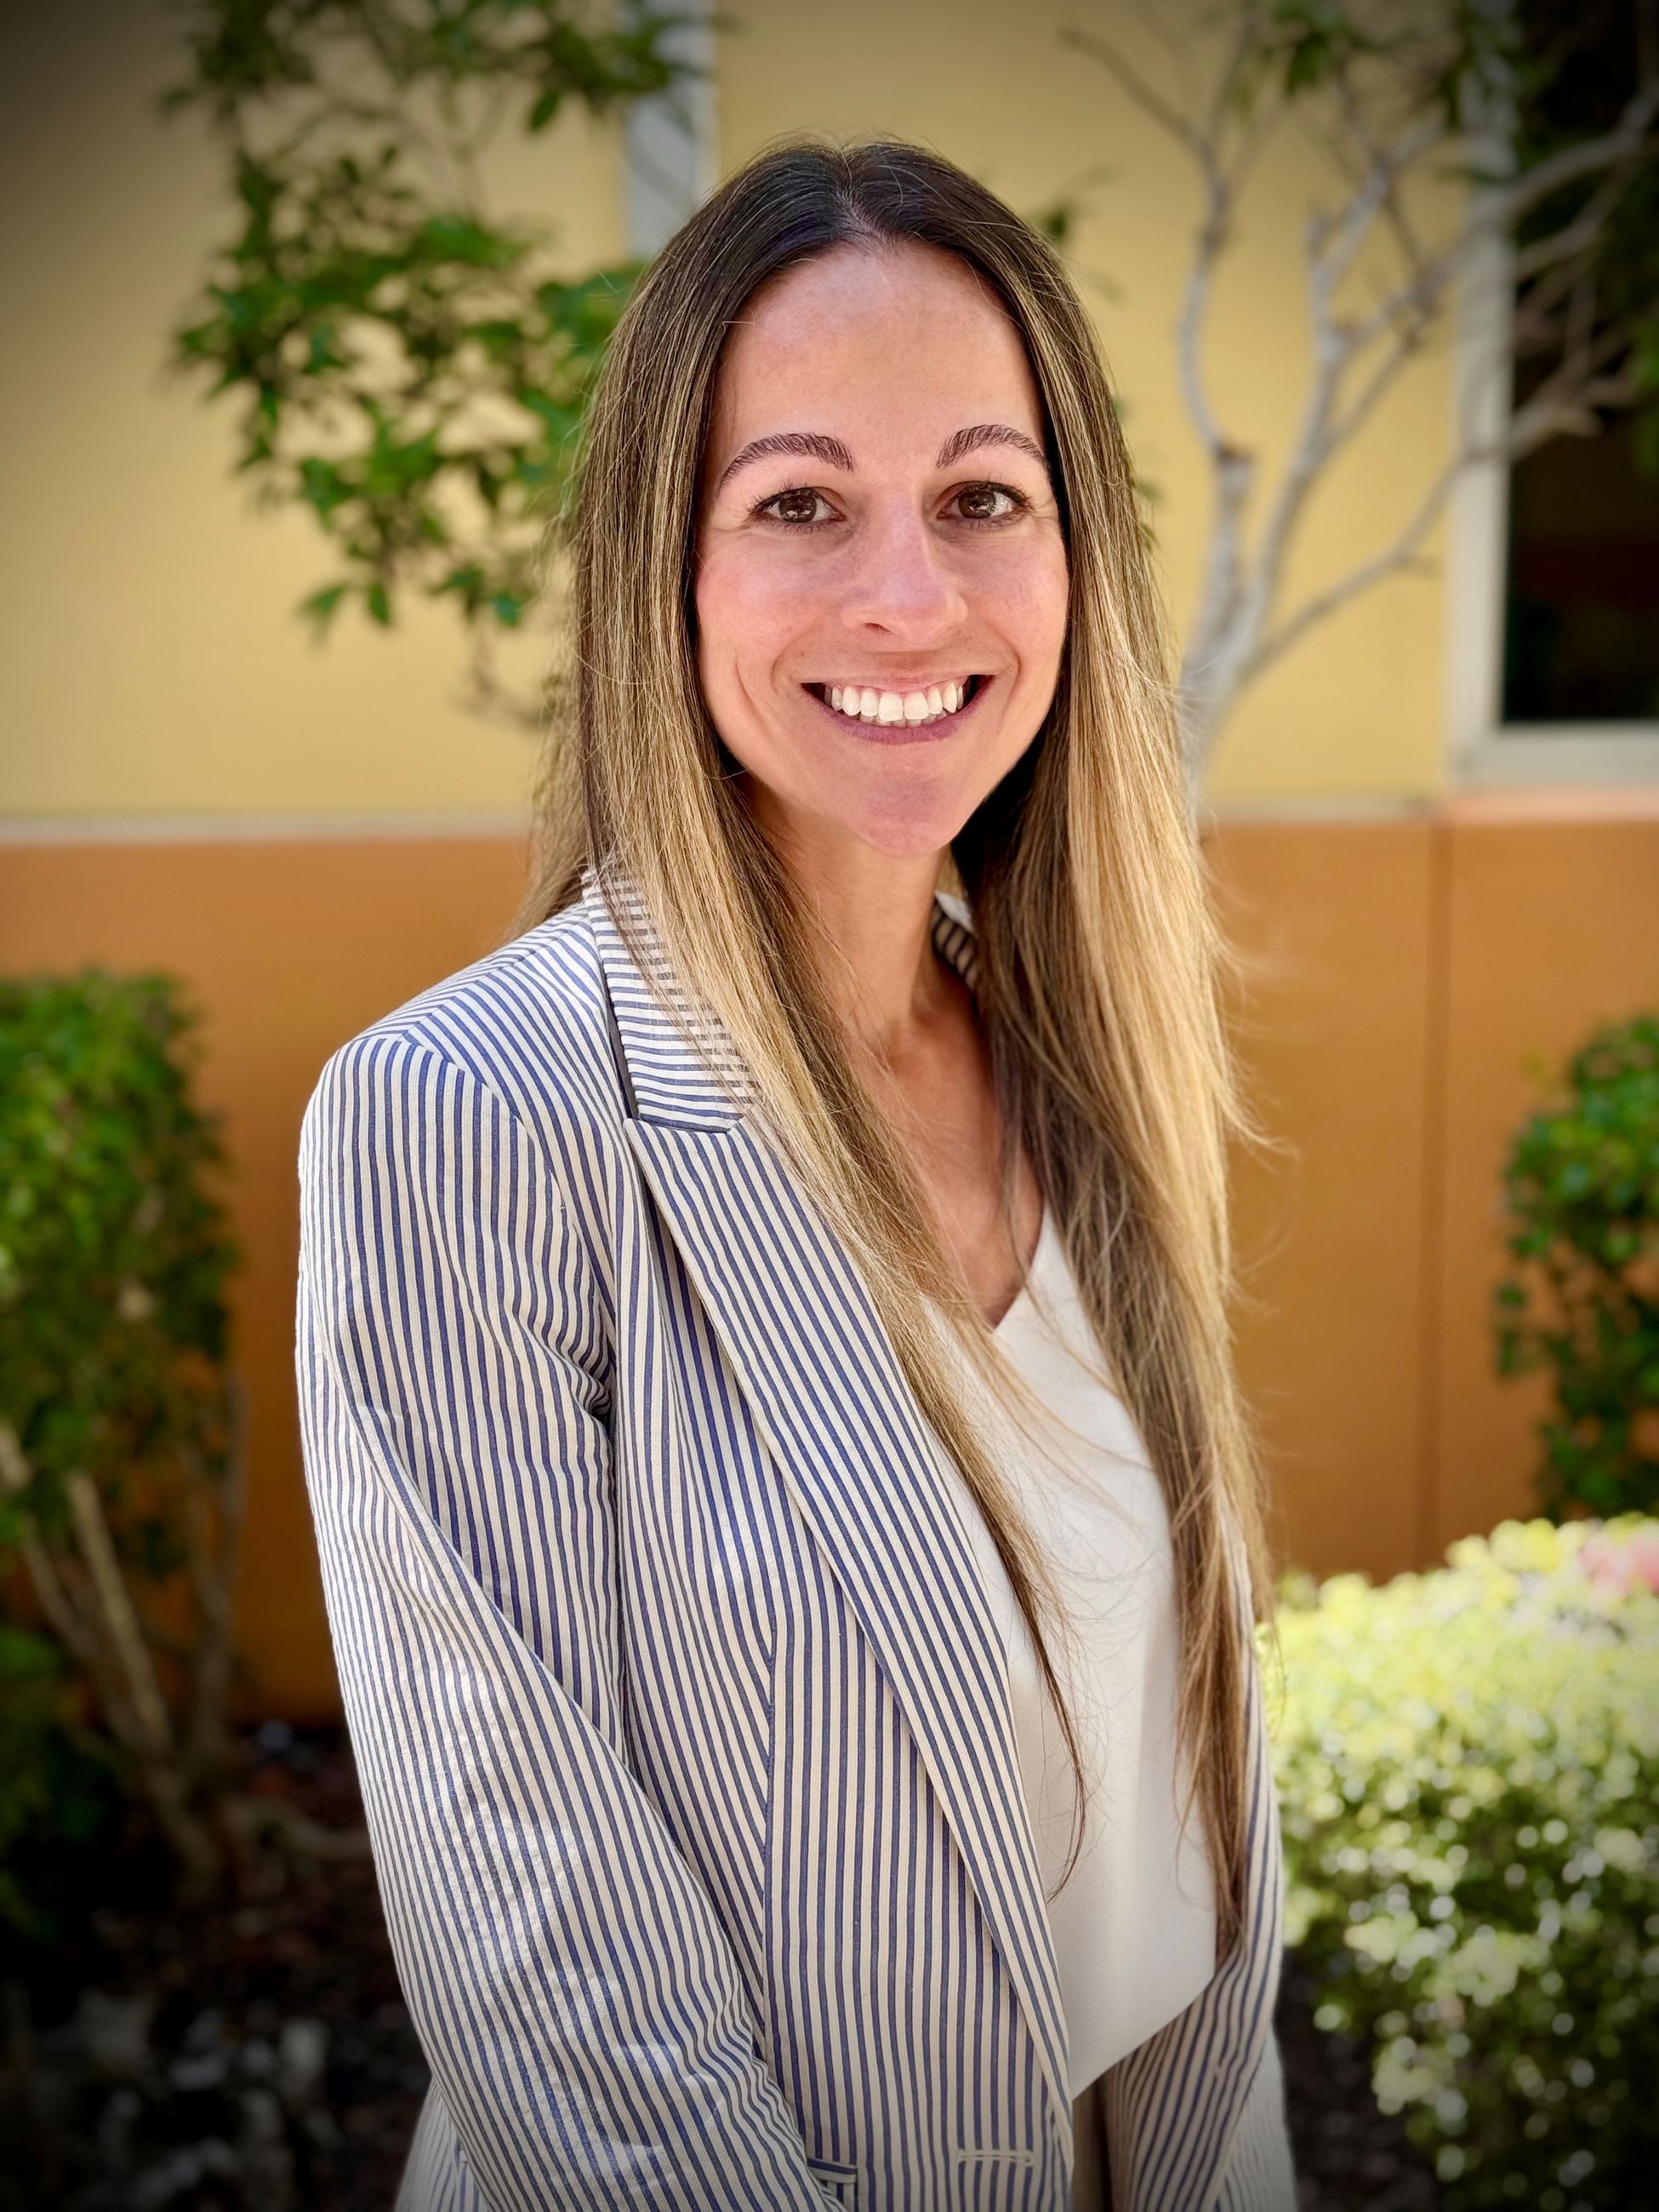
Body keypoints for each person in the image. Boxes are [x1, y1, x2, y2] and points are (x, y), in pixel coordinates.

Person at [295, 135, 1297, 2212]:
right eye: (802, 504)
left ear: (1073, 555)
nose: (910, 594)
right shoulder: (467, 1117)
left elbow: (1179, 1874)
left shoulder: (1087, 1076)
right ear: (669, 566)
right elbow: (552, 1958)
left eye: (982, 498)